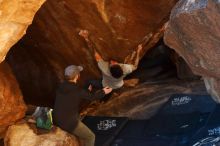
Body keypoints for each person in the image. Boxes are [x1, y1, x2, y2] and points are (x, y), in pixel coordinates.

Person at [53, 65, 112, 146]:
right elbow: (92, 97)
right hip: (68, 123)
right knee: (90, 137)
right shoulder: (77, 90)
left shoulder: (61, 86)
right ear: (77, 76)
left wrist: (86, 91)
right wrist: (104, 91)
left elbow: (73, 96)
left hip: (56, 118)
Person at [79, 30, 143, 90]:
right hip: (117, 85)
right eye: (115, 63)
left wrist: (86, 38)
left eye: (111, 64)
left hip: (105, 84)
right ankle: (125, 84)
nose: (112, 61)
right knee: (119, 84)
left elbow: (94, 52)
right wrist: (138, 51)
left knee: (89, 81)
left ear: (109, 69)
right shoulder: (126, 69)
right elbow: (135, 66)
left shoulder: (104, 68)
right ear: (121, 68)